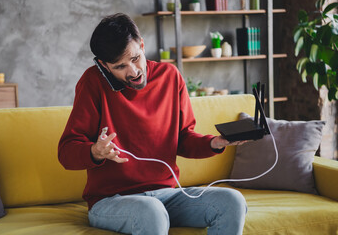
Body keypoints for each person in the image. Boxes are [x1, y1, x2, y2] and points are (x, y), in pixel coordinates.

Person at [58, 13, 247, 235]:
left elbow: (184, 138)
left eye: (135, 58)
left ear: (142, 45)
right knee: (152, 211)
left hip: (166, 195)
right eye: (120, 67)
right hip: (112, 202)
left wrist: (214, 143)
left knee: (231, 201)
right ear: (104, 65)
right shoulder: (92, 83)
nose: (133, 71)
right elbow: (66, 152)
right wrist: (95, 152)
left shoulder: (170, 77)